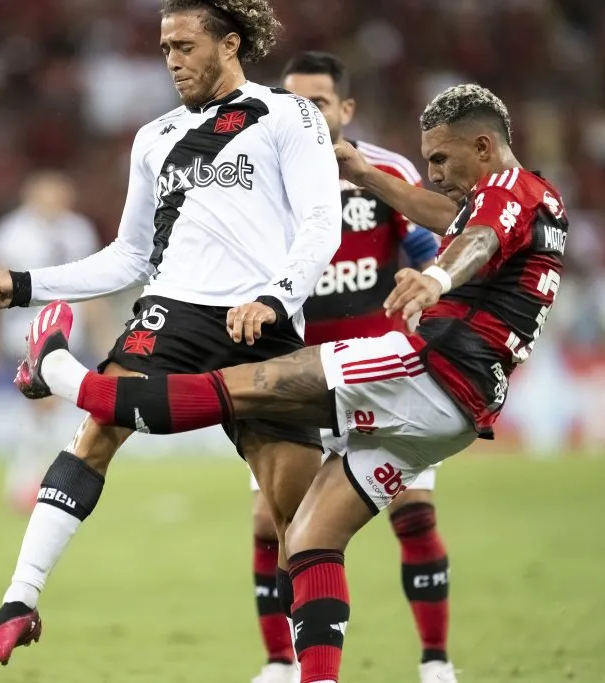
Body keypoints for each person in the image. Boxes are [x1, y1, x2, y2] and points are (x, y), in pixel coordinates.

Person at [15, 83, 568, 683]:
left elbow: (477, 240)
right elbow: (459, 220)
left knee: (249, 386)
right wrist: (364, 170)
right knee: (308, 538)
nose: (432, 174)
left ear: (484, 145)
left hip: (426, 368)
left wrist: (435, 278)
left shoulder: (509, 191)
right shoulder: (533, 200)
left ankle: (59, 371)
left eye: (440, 159)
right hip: (453, 414)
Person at [0, 0, 343, 666]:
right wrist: (27, 285)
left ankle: (309, 673)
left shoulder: (287, 115)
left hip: (266, 324)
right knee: (94, 434)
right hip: (174, 311)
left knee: (304, 525)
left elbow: (322, 226)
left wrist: (275, 297)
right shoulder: (156, 137)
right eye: (164, 48)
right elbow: (128, 256)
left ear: (230, 45)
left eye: (184, 46)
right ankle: (18, 600)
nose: (171, 60)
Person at [246, 52, 454, 683]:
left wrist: (426, 280)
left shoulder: (383, 172)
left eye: (319, 103)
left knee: (413, 513)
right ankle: (281, 664)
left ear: (346, 109)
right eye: (293, 102)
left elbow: (429, 247)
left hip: (384, 377)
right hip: (300, 380)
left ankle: (436, 662)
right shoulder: (262, 180)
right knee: (274, 526)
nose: (306, 114)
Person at [0, 171, 107, 514]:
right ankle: (31, 482)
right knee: (44, 404)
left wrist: (102, 335)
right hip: (24, 331)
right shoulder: (12, 232)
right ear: (31, 195)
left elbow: (93, 284)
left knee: (48, 408)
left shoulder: (78, 229)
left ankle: (33, 480)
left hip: (70, 331)